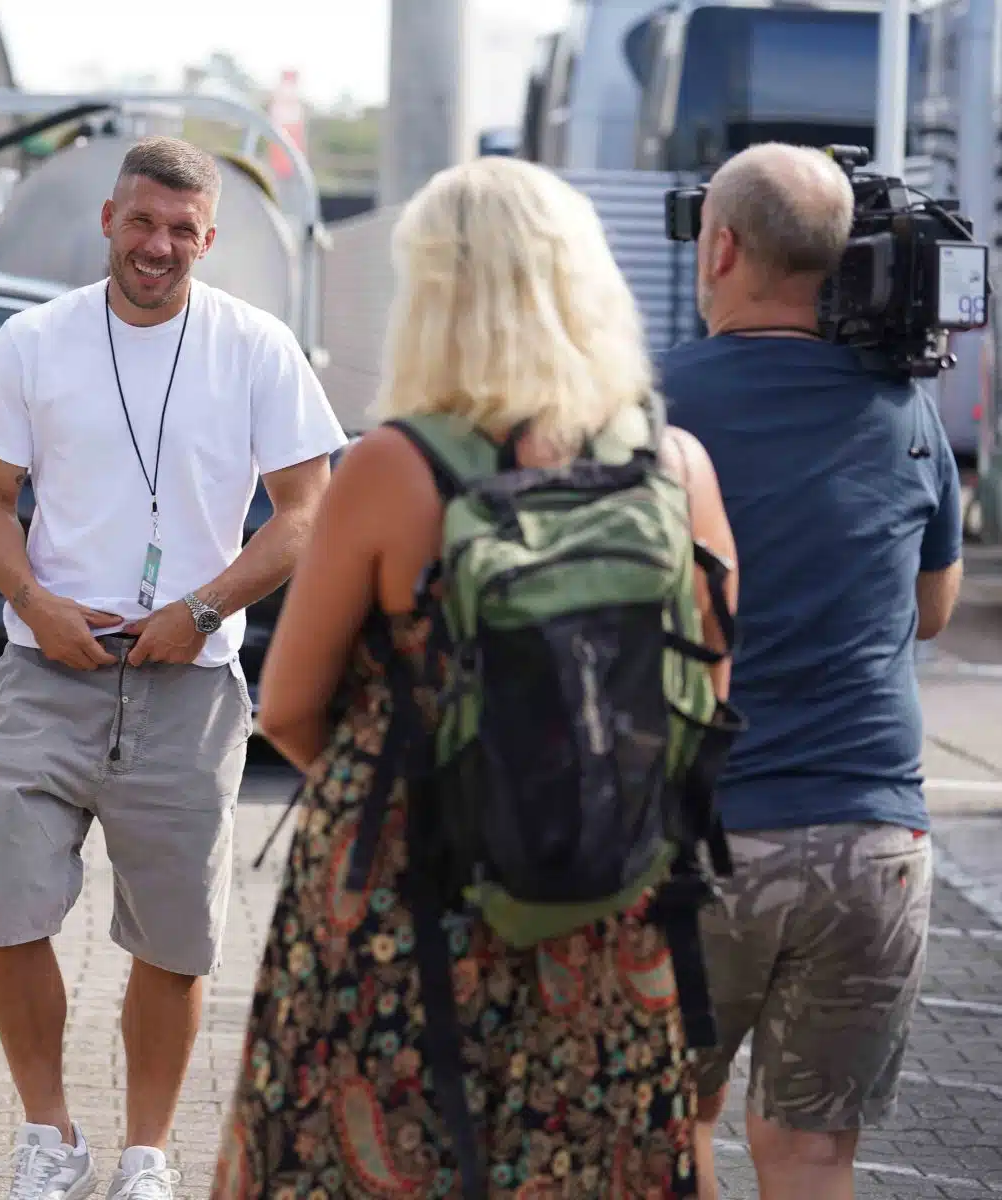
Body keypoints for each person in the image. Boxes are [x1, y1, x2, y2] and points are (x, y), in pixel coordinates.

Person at [212, 155, 740, 1198]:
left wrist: (431, 784)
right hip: (609, 894)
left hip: (408, 900)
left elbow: (289, 706)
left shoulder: (394, 465)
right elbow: (707, 696)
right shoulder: (673, 465)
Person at [0, 134, 346, 1200]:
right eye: (141, 222)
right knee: (5, 904)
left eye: (181, 229)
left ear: (207, 239)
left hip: (190, 684)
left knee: (174, 939)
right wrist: (35, 603)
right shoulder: (35, 341)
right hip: (46, 669)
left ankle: (146, 1155)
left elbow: (304, 510)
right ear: (108, 222)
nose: (158, 245)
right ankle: (50, 1135)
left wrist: (203, 608)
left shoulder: (257, 348)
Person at [658, 142, 962, 1200]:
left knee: (666, 1125)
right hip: (873, 844)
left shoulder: (649, 403)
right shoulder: (908, 409)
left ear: (722, 248)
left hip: (697, 840)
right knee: (814, 1152)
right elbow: (933, 612)